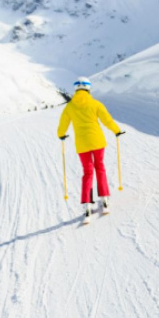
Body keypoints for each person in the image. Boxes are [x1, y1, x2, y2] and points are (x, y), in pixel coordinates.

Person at [57, 77, 124, 223]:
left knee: (87, 172)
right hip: (98, 141)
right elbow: (107, 120)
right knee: (100, 167)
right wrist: (117, 131)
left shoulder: (69, 107)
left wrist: (61, 135)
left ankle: (87, 206)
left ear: (76, 90)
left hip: (82, 145)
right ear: (88, 89)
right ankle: (104, 199)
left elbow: (63, 124)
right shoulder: (95, 104)